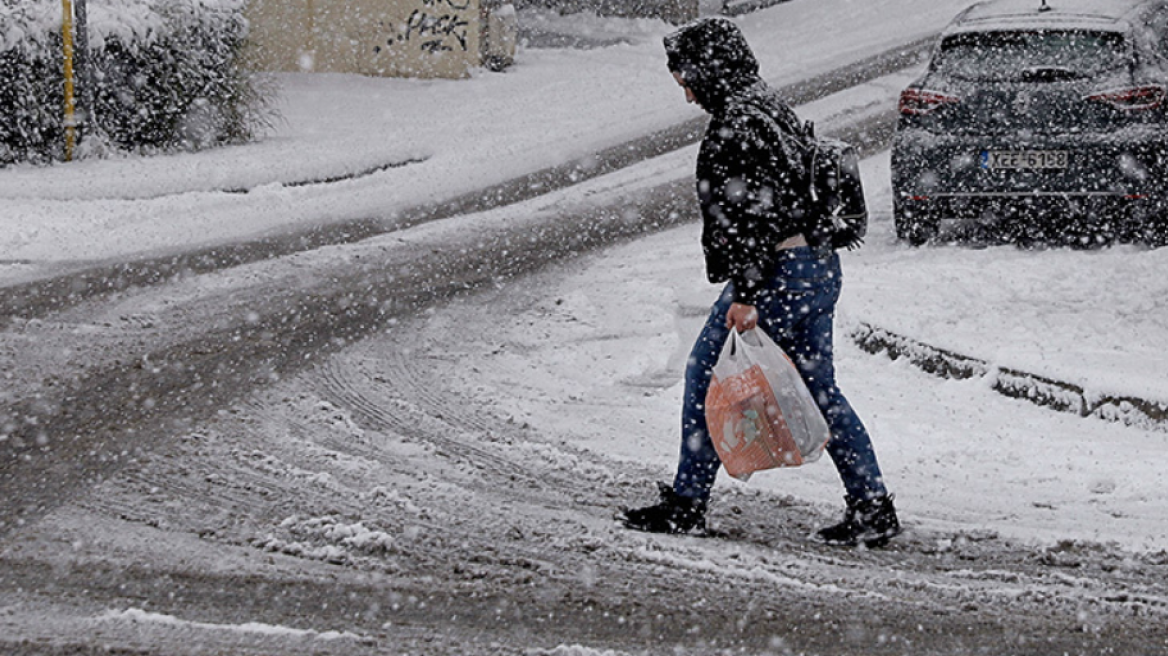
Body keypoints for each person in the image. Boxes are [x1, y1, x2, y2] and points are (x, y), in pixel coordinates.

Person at [621, 17, 900, 548]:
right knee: (819, 391)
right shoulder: (768, 106)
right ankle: (872, 505)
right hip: (815, 267)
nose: (686, 93)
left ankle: (687, 504)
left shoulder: (740, 121)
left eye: (687, 79)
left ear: (709, 70)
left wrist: (746, 294)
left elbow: (751, 214)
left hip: (775, 274)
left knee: (707, 375)